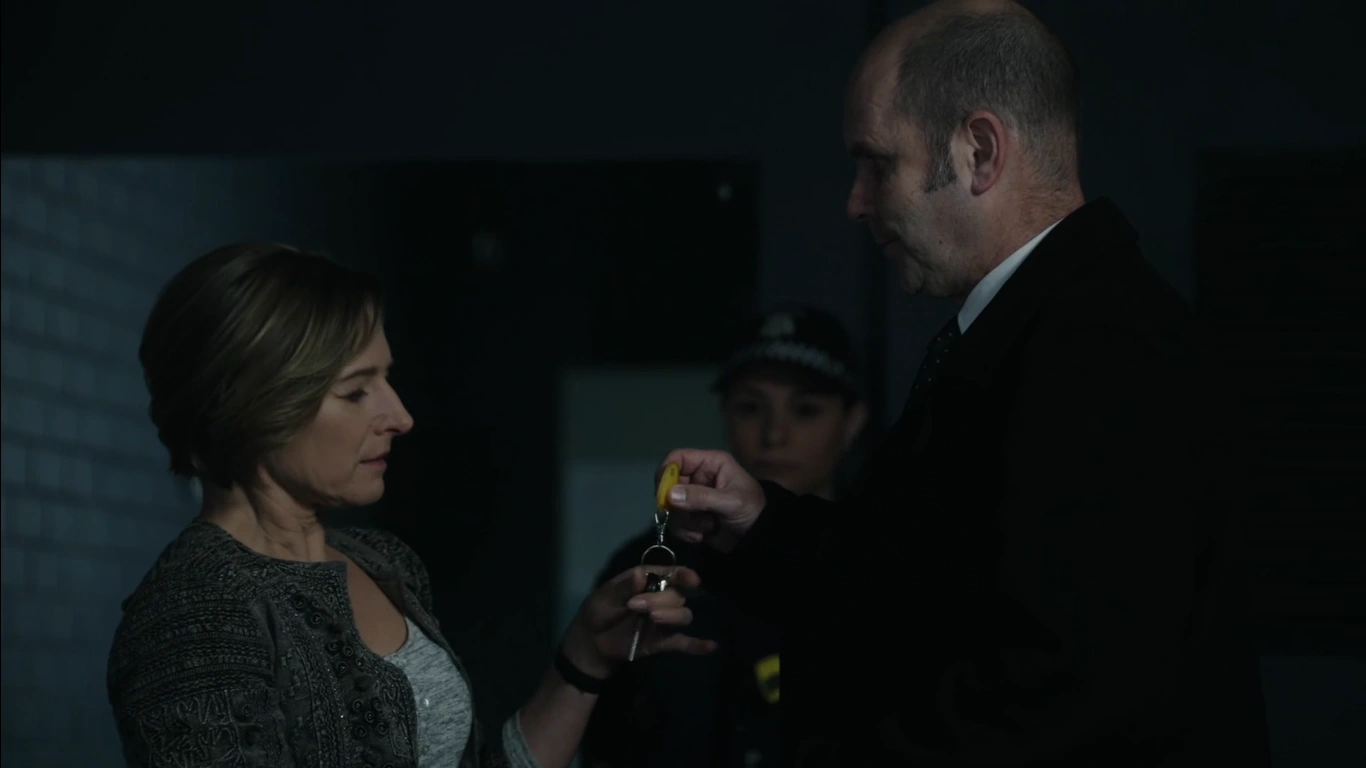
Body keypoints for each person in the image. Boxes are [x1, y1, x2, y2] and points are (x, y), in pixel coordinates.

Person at [652, 1, 1270, 765]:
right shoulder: (1037, 329)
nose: (855, 202)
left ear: (979, 151)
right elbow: (924, 584)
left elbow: (1062, 695)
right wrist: (761, 526)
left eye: (878, 165)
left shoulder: (1103, 348)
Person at [106, 243, 716, 768]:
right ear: (256, 406)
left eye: (387, 379)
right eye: (356, 391)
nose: (400, 416)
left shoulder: (384, 564)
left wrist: (585, 657)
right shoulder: (194, 615)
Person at [580, 305, 868, 768]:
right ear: (725, 413)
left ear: (852, 423)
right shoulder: (649, 568)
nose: (775, 435)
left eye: (806, 410)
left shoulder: (884, 568)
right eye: (751, 407)